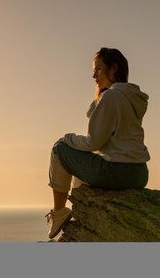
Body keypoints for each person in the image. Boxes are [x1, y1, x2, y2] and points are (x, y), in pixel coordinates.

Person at [46, 47, 150, 239]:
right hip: (140, 173)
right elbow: (98, 123)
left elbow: (94, 141)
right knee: (81, 165)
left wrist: (66, 138)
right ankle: (79, 215)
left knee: (59, 149)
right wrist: (100, 93)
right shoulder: (130, 97)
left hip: (117, 172)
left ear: (114, 69)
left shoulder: (112, 97)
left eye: (98, 69)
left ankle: (59, 211)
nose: (93, 75)